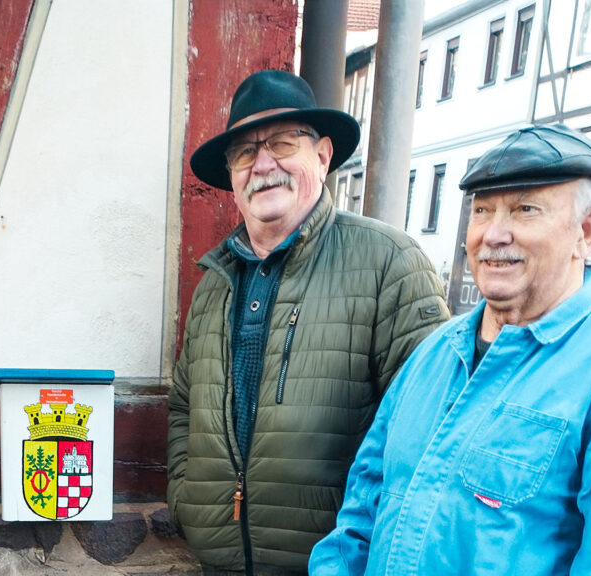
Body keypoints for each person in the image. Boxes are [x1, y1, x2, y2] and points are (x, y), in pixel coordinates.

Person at [309, 124, 591, 575]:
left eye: (525, 209)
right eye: (482, 210)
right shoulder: (433, 352)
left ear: (587, 229)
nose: (493, 234)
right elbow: (361, 511)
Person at [166, 69, 449, 574]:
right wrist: (187, 498)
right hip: (219, 565)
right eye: (245, 153)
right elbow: (185, 405)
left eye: (281, 143)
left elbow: (430, 428)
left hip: (334, 566)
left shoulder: (389, 262)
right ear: (232, 174)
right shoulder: (214, 281)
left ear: (321, 156)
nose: (263, 164)